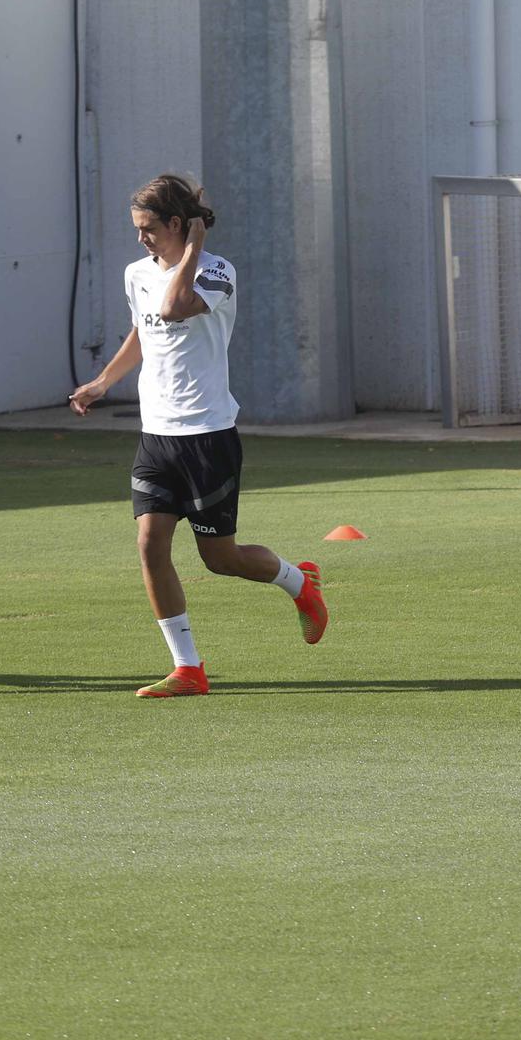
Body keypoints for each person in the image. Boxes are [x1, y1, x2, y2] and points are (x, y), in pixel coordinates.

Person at [69, 175, 327, 697]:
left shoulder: (217, 271)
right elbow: (146, 327)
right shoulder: (136, 273)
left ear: (176, 224)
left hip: (207, 437)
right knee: (149, 545)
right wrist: (103, 381)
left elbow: (173, 306)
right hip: (156, 436)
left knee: (221, 559)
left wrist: (194, 247)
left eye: (148, 229)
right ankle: (188, 667)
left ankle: (301, 584)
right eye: (136, 229)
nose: (141, 239)